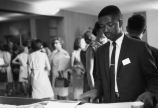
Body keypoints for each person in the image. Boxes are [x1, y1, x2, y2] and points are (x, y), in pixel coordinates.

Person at [93, 5, 158, 108]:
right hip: (108, 104)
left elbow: (154, 77)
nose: (105, 30)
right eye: (102, 26)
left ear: (121, 23)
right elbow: (100, 79)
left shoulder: (139, 47)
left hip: (134, 104)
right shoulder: (100, 51)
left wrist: (151, 92)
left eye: (110, 24)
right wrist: (96, 91)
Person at [86, 22, 107, 90]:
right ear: (97, 30)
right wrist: (93, 90)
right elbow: (89, 72)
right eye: (103, 27)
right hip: (98, 83)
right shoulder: (92, 47)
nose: (106, 30)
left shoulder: (110, 45)